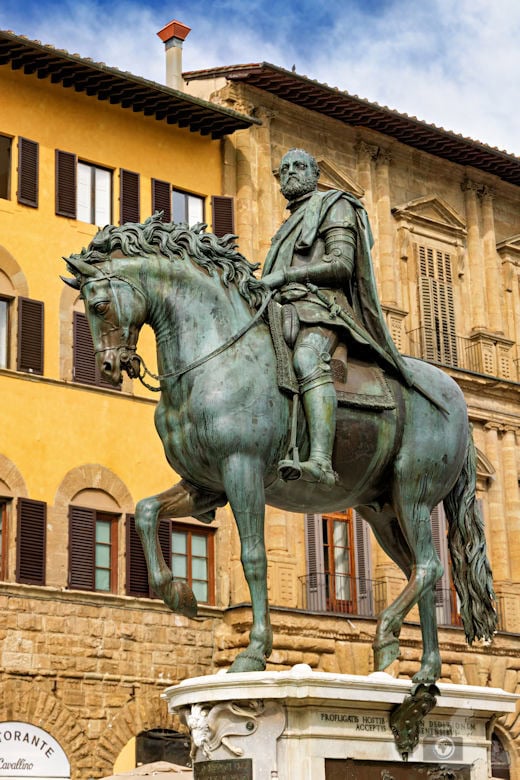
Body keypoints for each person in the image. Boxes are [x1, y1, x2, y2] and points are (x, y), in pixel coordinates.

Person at [262, 148, 416, 488]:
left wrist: (285, 276)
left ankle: (320, 460)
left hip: (322, 310)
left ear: (315, 175)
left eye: (299, 166)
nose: (290, 173)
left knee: (307, 359)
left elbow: (341, 264)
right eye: (284, 168)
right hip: (283, 309)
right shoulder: (288, 224)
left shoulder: (335, 205)